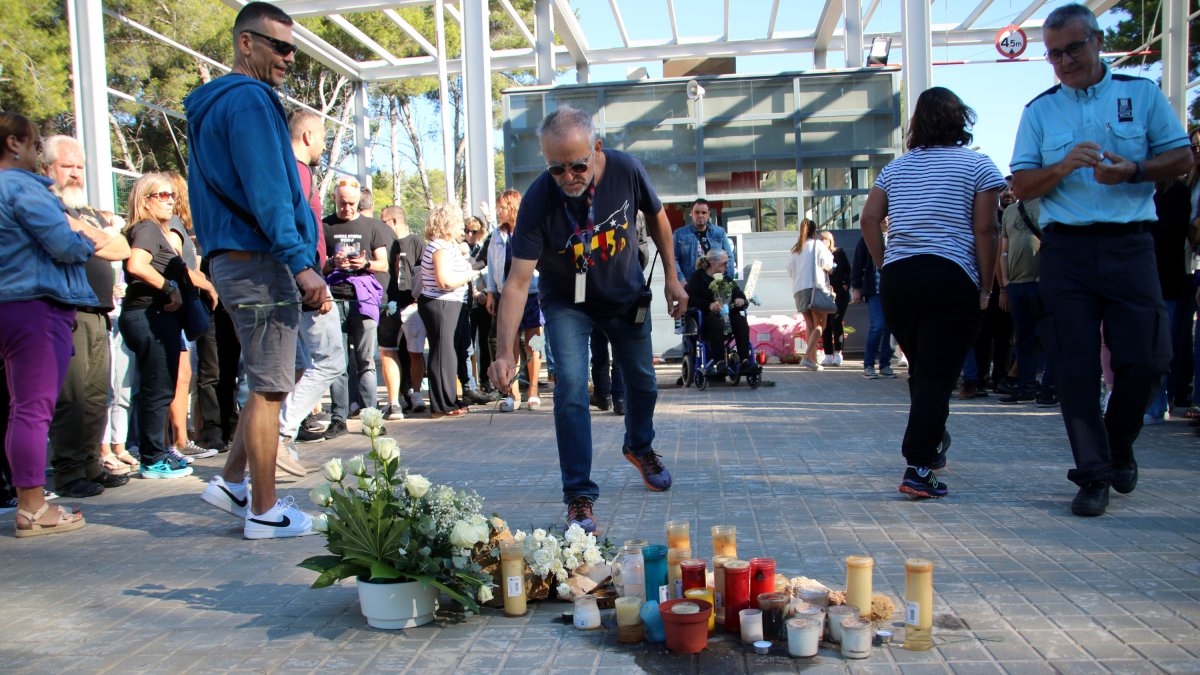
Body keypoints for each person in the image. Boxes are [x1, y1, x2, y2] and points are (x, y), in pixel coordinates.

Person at [1010, 3, 1191, 517]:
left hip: (1132, 243)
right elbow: (1020, 184)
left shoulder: (1142, 94)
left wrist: (1135, 170)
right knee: (1074, 365)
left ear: (1096, 41)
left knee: (1151, 357)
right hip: (1066, 248)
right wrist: (1063, 166)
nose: (1064, 61)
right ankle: (1092, 474)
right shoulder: (1040, 111)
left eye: (1073, 48)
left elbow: (1181, 158)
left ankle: (1117, 443)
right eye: (1054, 54)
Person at [487, 105, 688, 534]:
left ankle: (640, 445)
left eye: (577, 165)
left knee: (643, 382)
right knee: (572, 389)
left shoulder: (626, 170)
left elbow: (658, 221)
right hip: (568, 305)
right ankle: (579, 494)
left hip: (624, 296)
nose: (569, 177)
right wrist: (504, 352)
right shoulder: (539, 200)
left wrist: (673, 276)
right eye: (556, 169)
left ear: (596, 149)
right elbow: (518, 282)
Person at [186, 1, 328, 538]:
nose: (289, 58)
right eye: (279, 46)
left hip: (234, 257)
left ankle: (232, 483)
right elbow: (267, 187)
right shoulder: (247, 100)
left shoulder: (216, 105)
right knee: (270, 386)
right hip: (258, 259)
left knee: (273, 376)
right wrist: (299, 262)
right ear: (246, 43)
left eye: (293, 48)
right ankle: (266, 512)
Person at [861, 86, 1007, 500]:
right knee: (938, 375)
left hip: (899, 278)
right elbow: (986, 229)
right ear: (961, 118)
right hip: (950, 274)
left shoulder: (895, 169)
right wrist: (985, 284)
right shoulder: (978, 166)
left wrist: (884, 261)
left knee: (925, 369)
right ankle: (919, 465)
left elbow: (870, 218)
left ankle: (931, 444)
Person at [1, 112, 112, 536]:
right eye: (33, 146)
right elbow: (64, 243)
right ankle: (32, 507)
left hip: (12, 304)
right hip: (35, 306)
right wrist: (88, 237)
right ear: (14, 143)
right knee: (32, 410)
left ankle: (30, 501)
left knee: (22, 408)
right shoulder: (20, 187)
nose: (37, 155)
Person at [40, 135, 133, 498]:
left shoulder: (88, 211)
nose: (75, 173)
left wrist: (95, 231)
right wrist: (104, 233)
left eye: (79, 166)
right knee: (72, 396)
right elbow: (74, 236)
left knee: (97, 394)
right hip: (67, 310)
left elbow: (122, 247)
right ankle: (67, 470)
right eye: (67, 166)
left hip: (98, 311)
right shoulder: (46, 205)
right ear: (47, 168)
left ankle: (91, 463)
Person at [271, 109, 345, 472]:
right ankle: (281, 434)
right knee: (332, 359)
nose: (324, 145)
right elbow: (291, 226)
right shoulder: (298, 172)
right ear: (307, 137)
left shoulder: (292, 171)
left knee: (297, 366)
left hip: (303, 274)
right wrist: (308, 274)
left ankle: (279, 438)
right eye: (322, 137)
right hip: (303, 277)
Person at [120, 173, 195, 481]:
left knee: (159, 388)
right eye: (161, 195)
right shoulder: (148, 228)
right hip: (149, 315)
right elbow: (136, 265)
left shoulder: (154, 230)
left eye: (171, 195)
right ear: (144, 201)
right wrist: (169, 287)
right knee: (157, 389)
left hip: (154, 317)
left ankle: (158, 452)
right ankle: (153, 458)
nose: (169, 200)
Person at [322, 176, 390, 436]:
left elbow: (382, 263)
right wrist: (332, 263)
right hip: (334, 299)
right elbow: (316, 264)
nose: (347, 209)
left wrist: (364, 264)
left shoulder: (372, 226)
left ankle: (371, 418)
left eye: (352, 204)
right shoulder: (325, 226)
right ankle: (338, 418)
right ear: (335, 200)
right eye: (342, 204)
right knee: (337, 362)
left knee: (365, 361)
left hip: (363, 300)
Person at [162, 171, 221, 461]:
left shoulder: (179, 227)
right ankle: (173, 441)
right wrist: (208, 284)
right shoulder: (172, 226)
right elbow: (179, 267)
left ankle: (182, 438)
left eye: (171, 194)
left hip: (183, 308)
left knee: (184, 375)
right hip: (174, 307)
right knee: (176, 376)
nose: (171, 199)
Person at [418, 202, 481, 418]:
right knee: (442, 353)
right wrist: (469, 275)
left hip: (452, 303)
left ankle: (449, 399)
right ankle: (441, 404)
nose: (462, 227)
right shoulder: (439, 247)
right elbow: (444, 281)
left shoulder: (449, 245)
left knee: (450, 353)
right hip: (441, 303)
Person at [484, 190, 542, 412]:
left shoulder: (529, 230)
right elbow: (491, 265)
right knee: (509, 344)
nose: (499, 212)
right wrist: (490, 292)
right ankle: (512, 392)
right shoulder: (497, 236)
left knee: (533, 343)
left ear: (513, 207)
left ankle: (533, 390)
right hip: (504, 293)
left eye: (502, 207)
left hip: (532, 294)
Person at [997, 192, 1057, 407]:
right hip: (1016, 284)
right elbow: (1003, 249)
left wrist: (1045, 274)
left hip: (1041, 283)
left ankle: (1050, 388)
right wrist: (1005, 282)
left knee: (1048, 338)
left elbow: (1054, 242)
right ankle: (1026, 386)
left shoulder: (1049, 204)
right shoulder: (1010, 212)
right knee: (1023, 339)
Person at [380, 205, 427, 417]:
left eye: (384, 222)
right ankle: (395, 398)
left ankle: (417, 394)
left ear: (395, 221)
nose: (382, 226)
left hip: (411, 304)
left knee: (415, 351)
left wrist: (418, 298)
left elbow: (422, 273)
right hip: (390, 304)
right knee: (390, 350)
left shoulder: (416, 242)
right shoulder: (387, 244)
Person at [683, 249, 756, 375]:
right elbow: (689, 298)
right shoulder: (698, 277)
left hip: (727, 317)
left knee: (740, 320)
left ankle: (744, 361)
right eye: (724, 263)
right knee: (715, 322)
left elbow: (737, 292)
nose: (727, 266)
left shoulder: (726, 278)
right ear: (713, 263)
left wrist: (740, 298)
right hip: (707, 319)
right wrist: (708, 305)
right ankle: (720, 362)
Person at [786, 219, 834, 371]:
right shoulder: (817, 245)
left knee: (810, 325)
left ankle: (812, 360)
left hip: (798, 290)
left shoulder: (795, 249)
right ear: (815, 231)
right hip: (815, 289)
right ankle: (807, 357)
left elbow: (789, 270)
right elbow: (828, 264)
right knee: (821, 324)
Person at [851, 217, 895, 379]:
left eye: (888, 218)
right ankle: (869, 364)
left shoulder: (896, 237)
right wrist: (856, 288)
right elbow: (858, 263)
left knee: (891, 328)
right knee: (878, 325)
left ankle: (885, 364)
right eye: (882, 218)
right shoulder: (868, 238)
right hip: (875, 290)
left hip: (893, 292)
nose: (885, 221)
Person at [673, 197, 732, 284]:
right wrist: (681, 280)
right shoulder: (680, 234)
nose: (700, 215)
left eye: (704, 212)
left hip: (715, 283)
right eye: (697, 212)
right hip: (691, 283)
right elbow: (674, 259)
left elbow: (729, 256)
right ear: (691, 213)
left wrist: (727, 279)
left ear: (709, 214)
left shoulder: (719, 232)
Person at [820, 231, 850, 367]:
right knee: (825, 324)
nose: (823, 242)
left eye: (826, 239)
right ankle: (827, 354)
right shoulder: (817, 256)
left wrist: (846, 284)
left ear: (831, 241)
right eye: (821, 239)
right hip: (824, 292)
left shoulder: (838, 253)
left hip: (839, 293)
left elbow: (848, 270)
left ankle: (838, 353)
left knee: (836, 321)